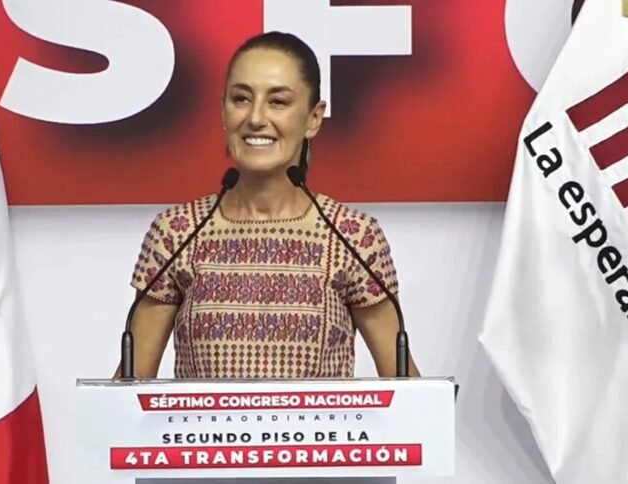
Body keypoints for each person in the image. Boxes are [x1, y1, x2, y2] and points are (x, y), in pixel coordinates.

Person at [118, 32, 420, 379]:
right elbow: (127, 391)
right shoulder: (177, 232)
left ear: (314, 118)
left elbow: (407, 391)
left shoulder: (353, 236)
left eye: (278, 101)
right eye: (241, 99)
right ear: (223, 111)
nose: (256, 117)